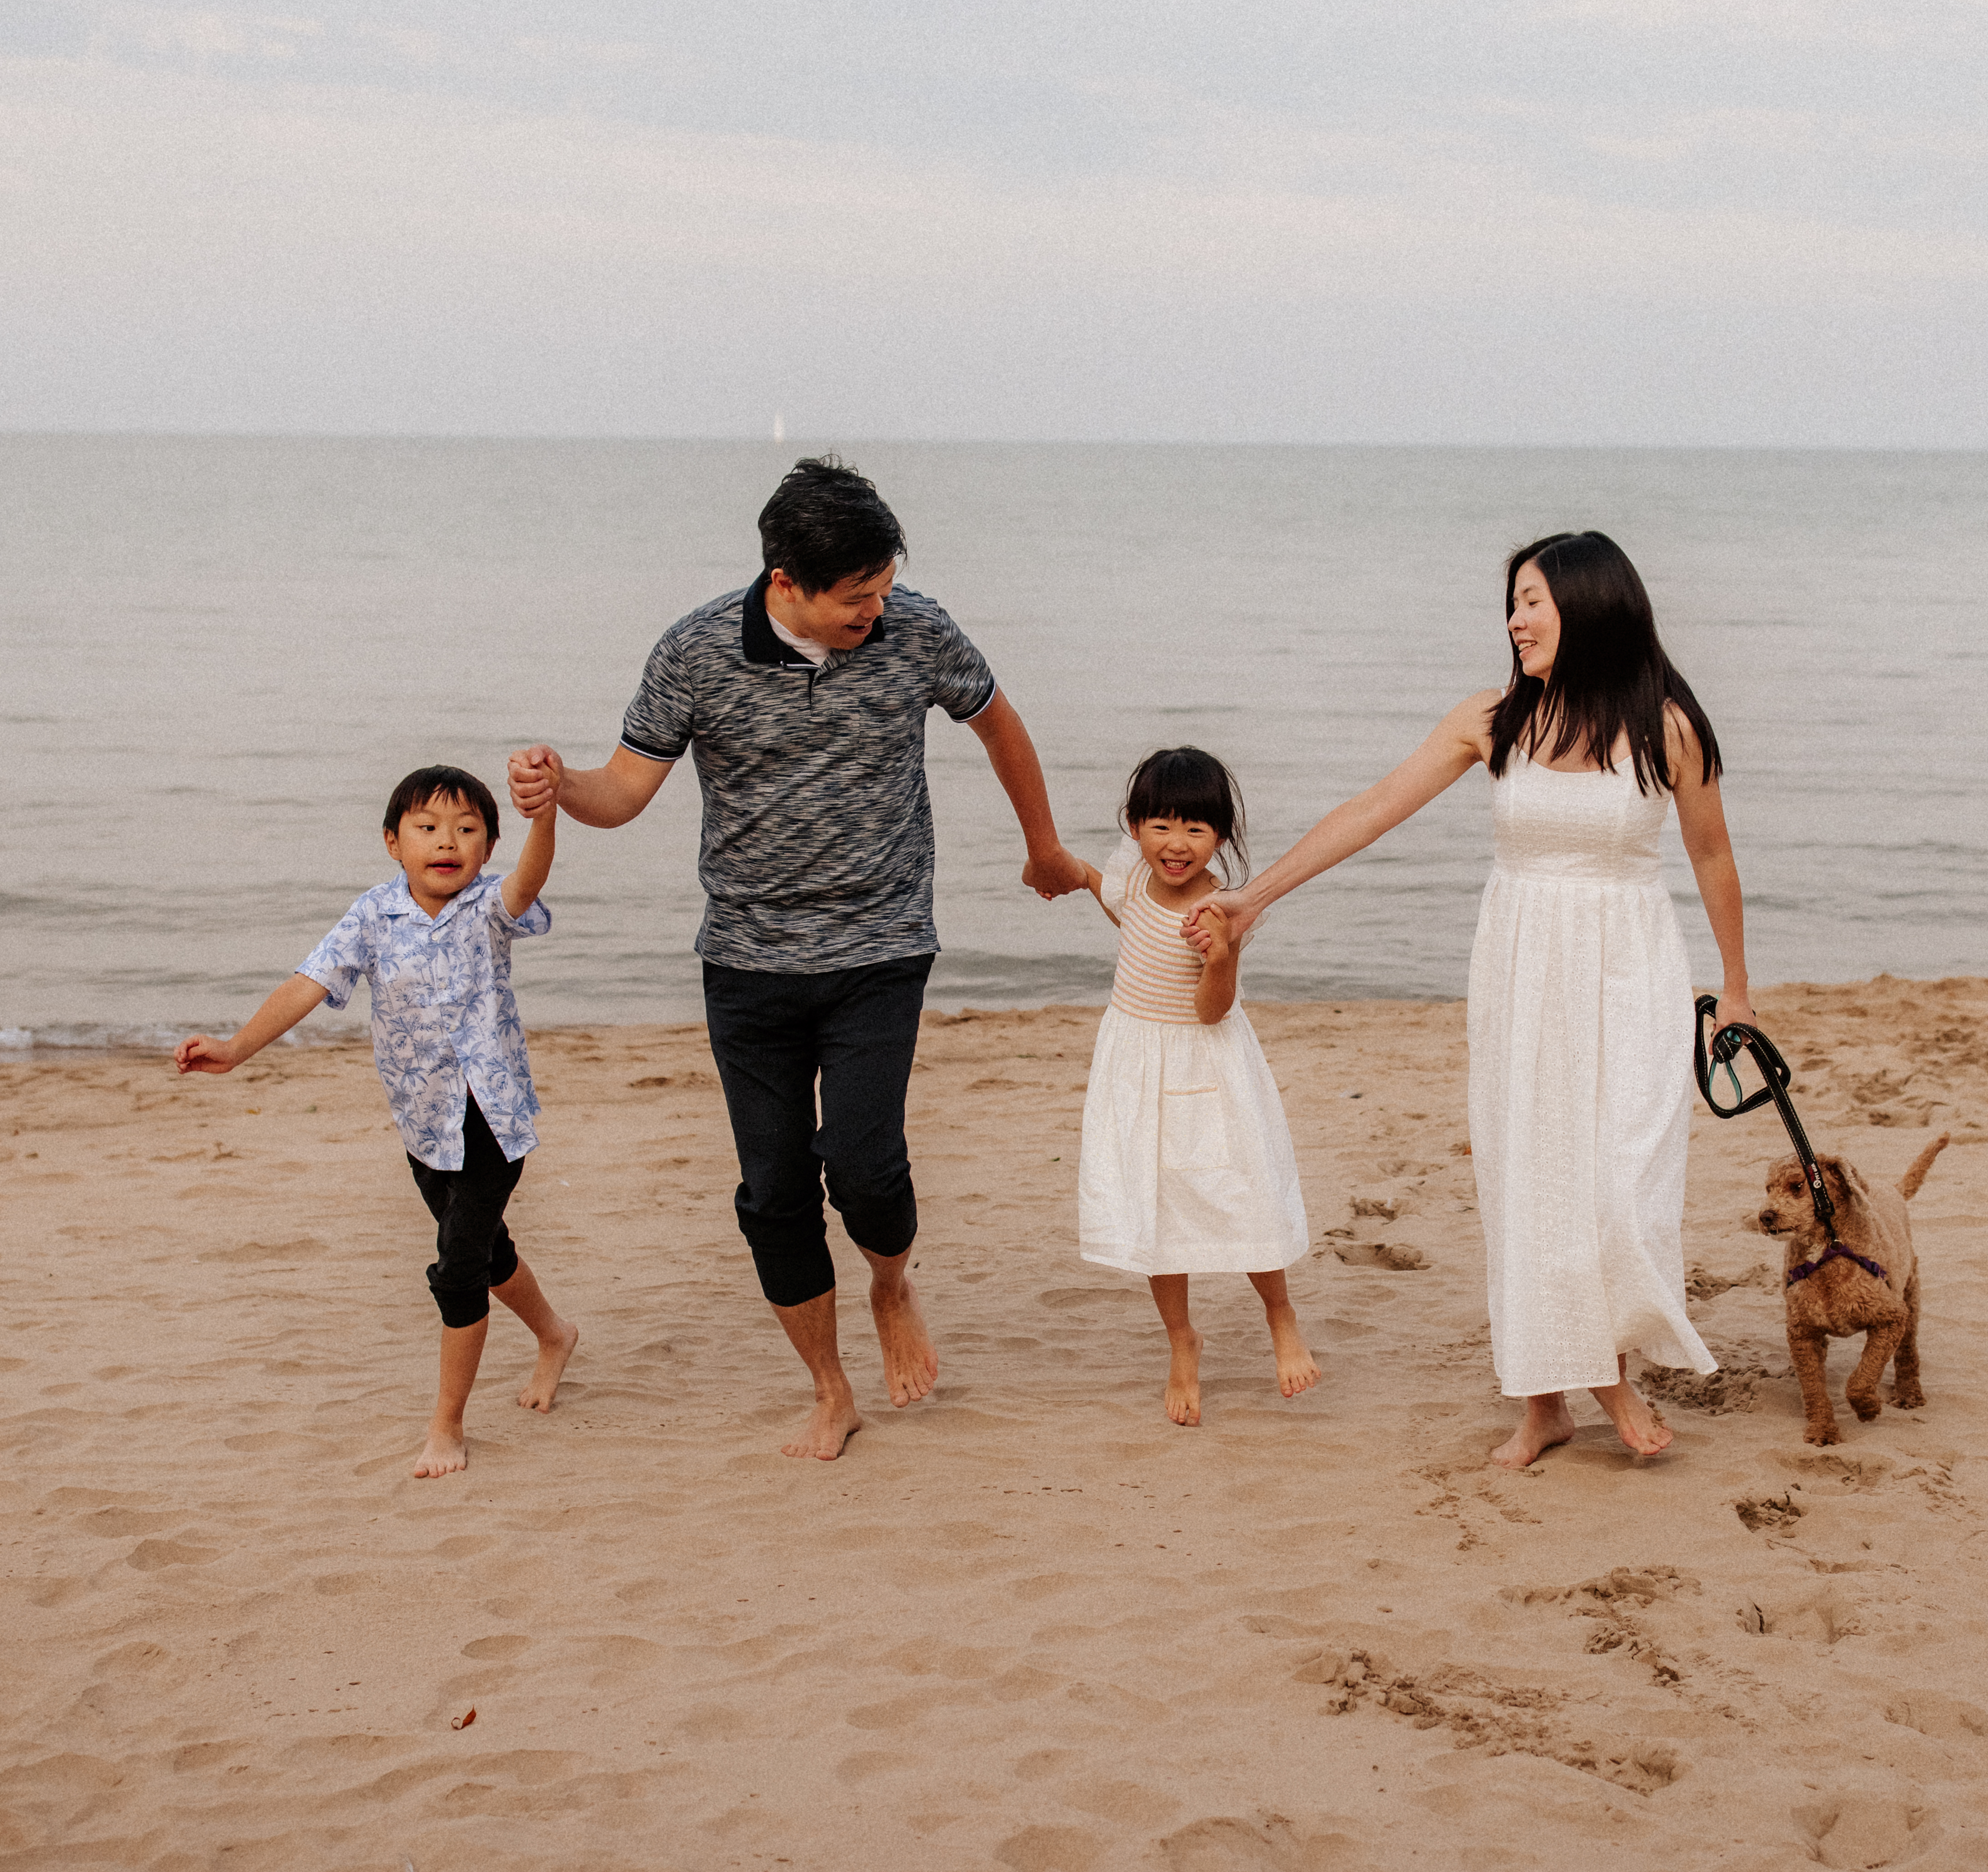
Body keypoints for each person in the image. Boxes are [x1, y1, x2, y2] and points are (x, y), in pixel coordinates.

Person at [507, 459, 1090, 1461]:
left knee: (863, 1167)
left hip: (881, 942)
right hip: (746, 959)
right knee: (772, 1195)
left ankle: (891, 1282)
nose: (878, 608)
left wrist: (1041, 845)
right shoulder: (693, 652)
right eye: (856, 598)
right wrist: (557, 784)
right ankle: (829, 1388)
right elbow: (623, 794)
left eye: (884, 586)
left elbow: (998, 723)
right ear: (786, 583)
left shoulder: (916, 629)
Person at [1189, 532, 1754, 1469]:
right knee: (1528, 1177)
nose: (1515, 620)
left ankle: (1606, 1370)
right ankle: (1545, 1403)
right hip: (1522, 967)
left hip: (1629, 970)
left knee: (1620, 1183)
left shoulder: (1666, 726)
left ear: (1591, 603)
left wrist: (1733, 987)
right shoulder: (1491, 721)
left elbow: (1711, 856)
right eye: (1513, 601)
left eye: (1532, 600)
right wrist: (1253, 898)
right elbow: (1373, 808)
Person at [174, 765, 581, 1481]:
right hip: (423, 1126)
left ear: (487, 848)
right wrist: (236, 1047)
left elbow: (530, 879)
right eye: (427, 828)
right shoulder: (372, 914)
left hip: (490, 1119)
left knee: (457, 1269)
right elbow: (309, 984)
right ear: (394, 842)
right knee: (488, 1256)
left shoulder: (490, 905)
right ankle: (555, 1333)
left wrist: (544, 819)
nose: (446, 841)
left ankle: (446, 1425)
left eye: (466, 829)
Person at [1070, 748, 1319, 1426]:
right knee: (1157, 1207)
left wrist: (1219, 957)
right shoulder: (1130, 872)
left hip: (1206, 1063)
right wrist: (1064, 871)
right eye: (1159, 826)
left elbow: (1212, 1009)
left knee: (1242, 1193)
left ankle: (1280, 1313)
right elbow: (1112, 895)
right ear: (1134, 826)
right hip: (1134, 1060)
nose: (1176, 844)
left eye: (1196, 829)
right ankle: (1181, 1338)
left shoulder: (1219, 910)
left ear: (1221, 835)